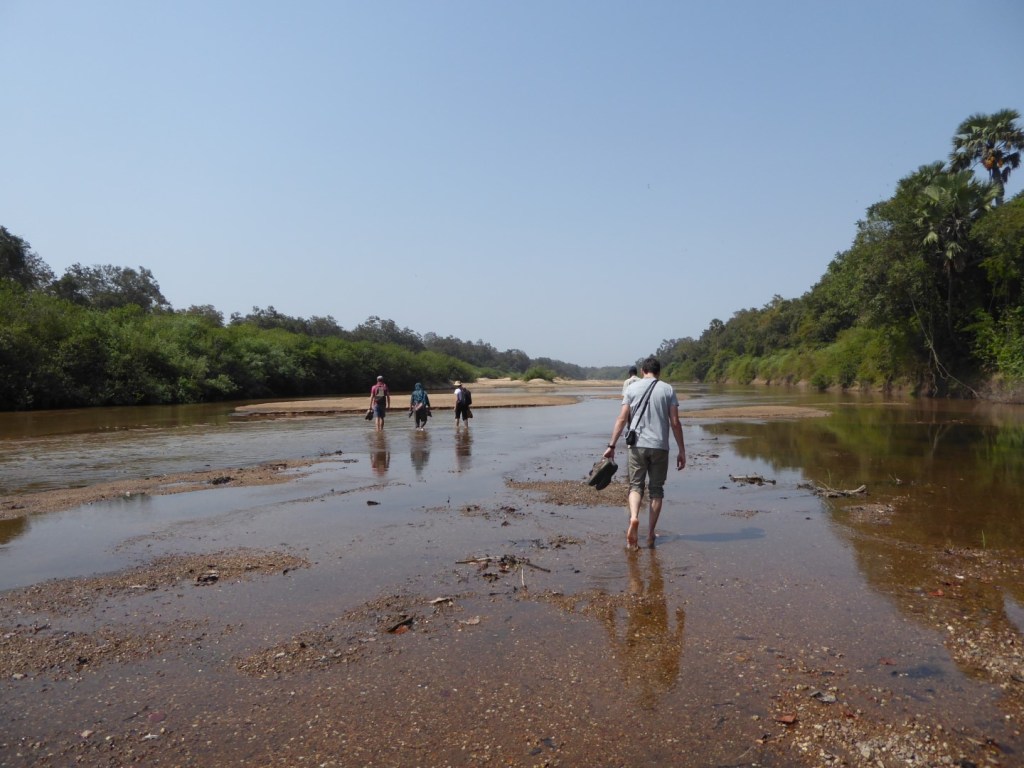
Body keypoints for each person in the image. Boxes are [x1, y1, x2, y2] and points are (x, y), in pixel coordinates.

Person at [603, 357, 686, 549]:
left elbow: (622, 418)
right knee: (656, 490)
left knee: (635, 486)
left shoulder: (631, 389)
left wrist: (612, 445)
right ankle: (650, 534)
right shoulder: (668, 389)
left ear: (642, 371)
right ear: (659, 372)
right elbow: (675, 422)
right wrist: (682, 450)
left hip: (637, 445)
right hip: (660, 446)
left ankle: (633, 518)